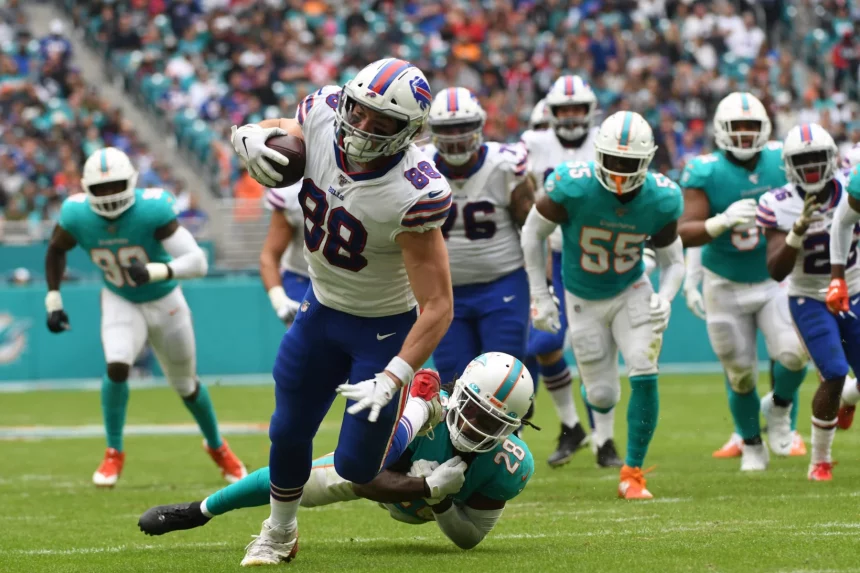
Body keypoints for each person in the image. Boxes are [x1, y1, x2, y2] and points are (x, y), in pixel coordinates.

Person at [230, 58, 454, 565]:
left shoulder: (414, 191)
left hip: (384, 329)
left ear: (410, 132)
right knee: (287, 429)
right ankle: (279, 532)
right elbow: (283, 131)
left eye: (384, 123)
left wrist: (397, 376)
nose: (363, 127)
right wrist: (250, 134)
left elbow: (439, 306)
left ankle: (422, 405)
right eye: (361, 110)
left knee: (357, 469)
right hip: (322, 310)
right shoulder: (324, 111)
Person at [138, 353, 533, 551]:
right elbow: (363, 479)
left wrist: (443, 503)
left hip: (427, 506)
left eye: (492, 424)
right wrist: (427, 486)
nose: (475, 427)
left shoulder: (509, 463)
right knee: (297, 478)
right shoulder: (427, 410)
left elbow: (470, 538)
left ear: (513, 427)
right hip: (385, 479)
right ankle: (198, 511)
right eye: (473, 413)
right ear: (457, 394)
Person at [44, 147, 246, 488]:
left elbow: (197, 262)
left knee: (186, 385)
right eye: (101, 188)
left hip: (164, 299)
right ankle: (113, 451)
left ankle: (217, 446)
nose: (108, 195)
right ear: (87, 189)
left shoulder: (150, 209)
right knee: (117, 365)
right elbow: (55, 250)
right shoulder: (76, 214)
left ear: (131, 182)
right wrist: (53, 299)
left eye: (115, 186)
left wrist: (155, 271)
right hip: (120, 298)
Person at [521, 111, 685, 499]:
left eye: (629, 164)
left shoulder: (661, 198)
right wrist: (540, 294)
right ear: (598, 155)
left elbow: (673, 260)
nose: (619, 172)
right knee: (602, 396)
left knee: (644, 366)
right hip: (581, 296)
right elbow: (532, 233)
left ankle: (633, 472)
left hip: (631, 290)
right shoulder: (572, 186)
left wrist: (666, 296)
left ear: (646, 162)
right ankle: (594, 432)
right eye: (612, 160)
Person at [679, 92, 808, 470]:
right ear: (721, 130)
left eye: (752, 126)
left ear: (765, 127)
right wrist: (718, 222)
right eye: (738, 127)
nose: (745, 134)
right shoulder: (705, 171)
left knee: (794, 354)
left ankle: (780, 409)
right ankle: (752, 443)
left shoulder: (782, 161)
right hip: (725, 282)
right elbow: (684, 231)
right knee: (740, 374)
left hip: (774, 279)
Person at [520, 75, 614, 468]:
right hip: (557, 259)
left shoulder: (607, 140)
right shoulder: (533, 145)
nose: (573, 116)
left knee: (598, 357)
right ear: (551, 113)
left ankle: (605, 442)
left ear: (590, 111)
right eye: (565, 109)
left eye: (578, 109)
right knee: (541, 344)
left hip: (602, 260)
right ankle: (572, 425)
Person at [758, 123, 858, 480]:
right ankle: (820, 459)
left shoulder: (851, 186)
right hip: (809, 297)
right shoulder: (777, 204)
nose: (812, 166)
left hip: (855, 287)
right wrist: (796, 234)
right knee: (832, 372)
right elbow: (775, 269)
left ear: (832, 158)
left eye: (818, 157)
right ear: (788, 164)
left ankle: (850, 396)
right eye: (804, 159)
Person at [423, 87, 534, 388]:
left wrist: (542, 284)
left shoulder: (504, 164)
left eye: (463, 128)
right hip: (443, 291)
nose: (456, 137)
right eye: (448, 129)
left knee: (504, 380)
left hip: (503, 283)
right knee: (454, 382)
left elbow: (533, 228)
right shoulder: (418, 167)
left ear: (479, 127)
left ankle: (510, 435)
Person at [259, 181, 310, 323]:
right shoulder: (295, 193)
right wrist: (280, 301)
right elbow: (269, 256)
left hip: (353, 283)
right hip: (302, 278)